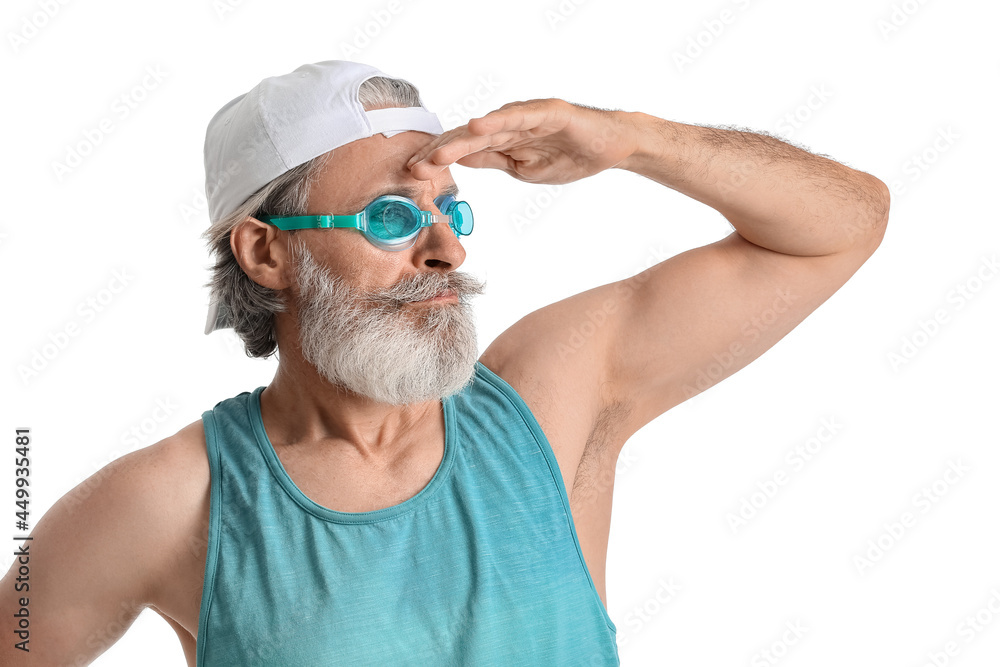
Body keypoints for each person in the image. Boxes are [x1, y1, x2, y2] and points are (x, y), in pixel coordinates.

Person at [0, 60, 889, 666]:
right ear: (267, 254)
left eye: (451, 212)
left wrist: (633, 141)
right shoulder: (169, 499)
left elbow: (840, 226)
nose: (444, 250)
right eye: (390, 216)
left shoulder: (554, 395)